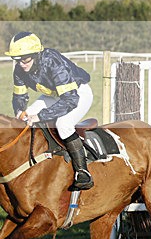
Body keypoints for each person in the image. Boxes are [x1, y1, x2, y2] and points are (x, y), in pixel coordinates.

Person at [6, 31, 94, 189]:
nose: (21, 64)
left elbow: (70, 99)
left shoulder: (52, 62)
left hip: (77, 94)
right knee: (25, 120)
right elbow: (19, 96)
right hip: (54, 95)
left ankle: (83, 171)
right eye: (17, 60)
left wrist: (40, 116)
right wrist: (20, 112)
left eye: (25, 59)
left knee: (63, 124)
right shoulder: (19, 69)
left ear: (36, 54)